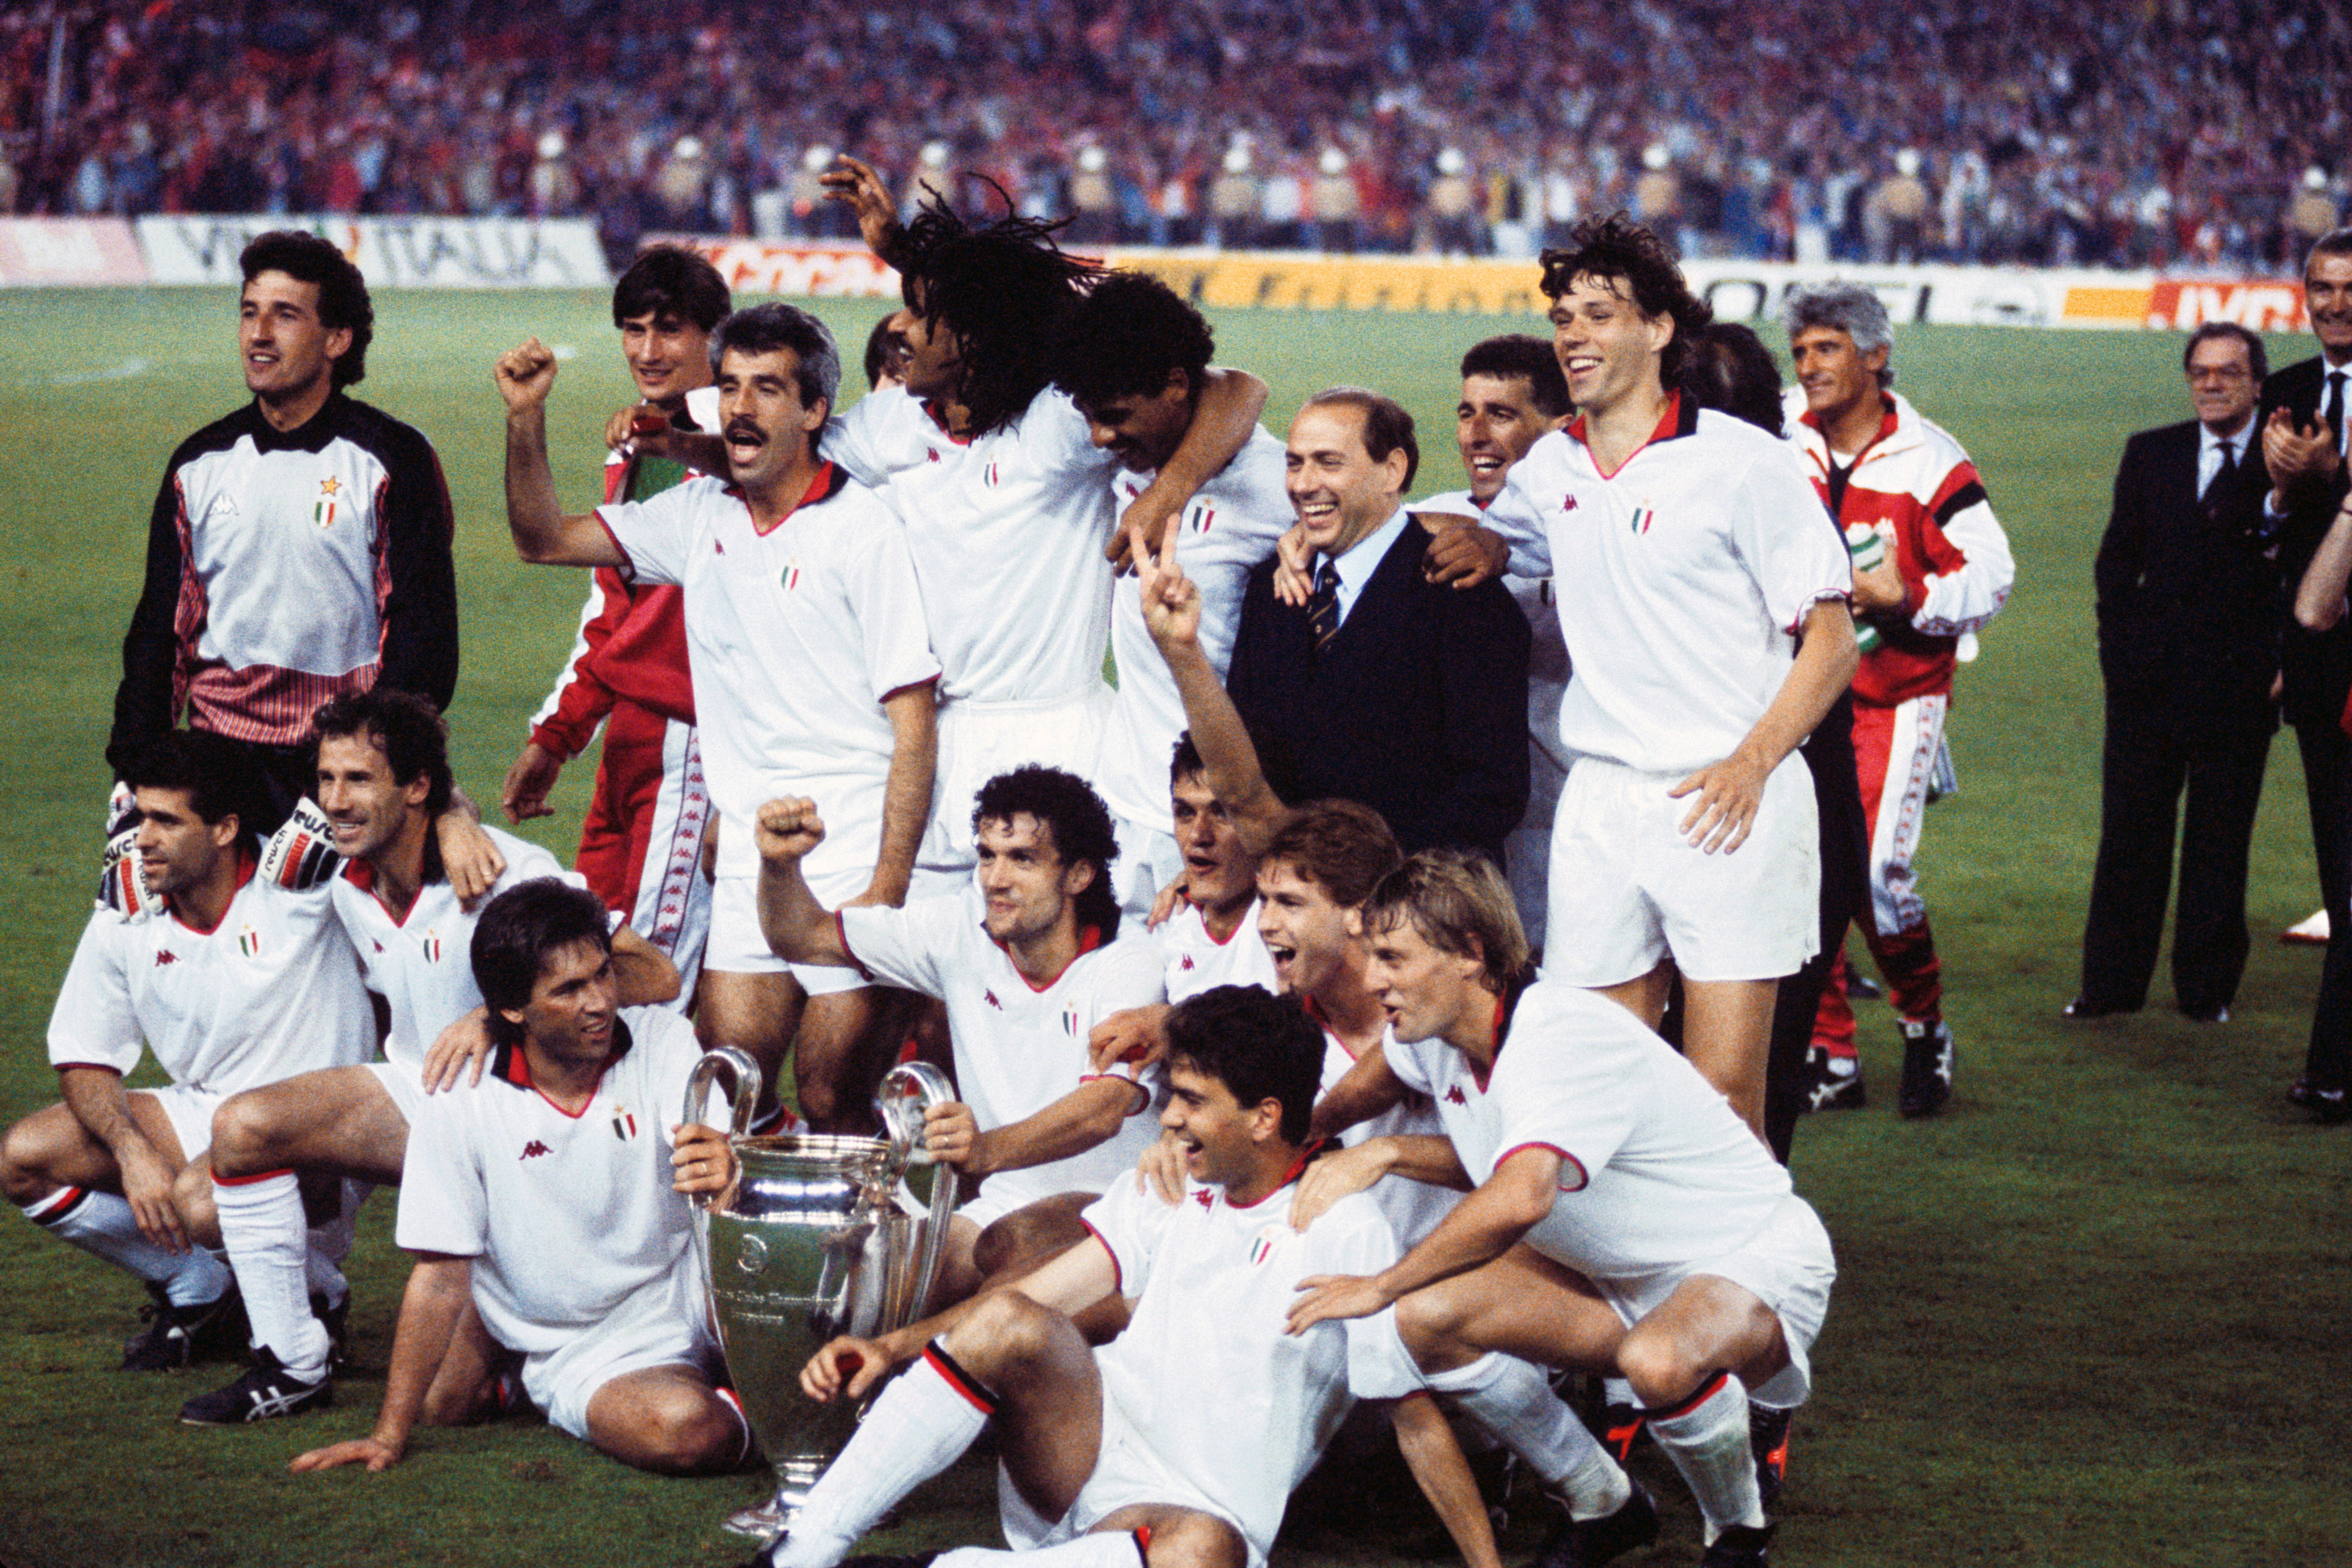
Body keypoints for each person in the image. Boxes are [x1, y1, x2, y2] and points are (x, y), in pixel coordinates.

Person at [1297, 856, 1838, 1568]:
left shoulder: (1556, 1035)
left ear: (1470, 952)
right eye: (1371, 958)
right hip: (1615, 1274)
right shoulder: (1432, 1036)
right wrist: (1321, 1144)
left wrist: (1380, 1278)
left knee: (1656, 1359)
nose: (1372, 982)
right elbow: (1358, 1104)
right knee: (1420, 1321)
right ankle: (1603, 1504)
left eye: (1393, 958)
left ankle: (1738, 1534)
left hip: (1752, 1259)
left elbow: (1521, 1193)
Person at [753, 984, 1402, 1568]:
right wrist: (891, 1348)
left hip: (1192, 1516)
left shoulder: (1348, 1227)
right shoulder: (1170, 1181)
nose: (1170, 1117)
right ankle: (800, 1552)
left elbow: (1404, 1404)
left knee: (1204, 1555)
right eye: (1173, 1093)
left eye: (1194, 1100)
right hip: (1084, 1450)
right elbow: (1039, 1295)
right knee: (1008, 1315)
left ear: (1264, 1117)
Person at [499, 302, 940, 1131]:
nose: (741, 408)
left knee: (832, 1093)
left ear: (814, 411)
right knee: (728, 1089)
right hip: (750, 854)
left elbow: (914, 723)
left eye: (768, 389)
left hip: (850, 845)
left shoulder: (863, 530)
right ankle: (752, 1261)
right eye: (731, 386)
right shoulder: (699, 516)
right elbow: (542, 538)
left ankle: (882, 1255)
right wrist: (528, 421)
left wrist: (887, 888)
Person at [185, 689, 680, 1424]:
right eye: (326, 779)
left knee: (448, 1405)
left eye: (358, 780)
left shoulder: (506, 871)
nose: (335, 800)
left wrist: (494, 1013)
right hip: (419, 1094)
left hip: (505, 1111)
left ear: (417, 788)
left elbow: (654, 975)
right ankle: (294, 1357)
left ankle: (518, 1343)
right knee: (218, 1168)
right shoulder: (343, 880)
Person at [1464, 215, 1858, 1138]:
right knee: (1594, 1076)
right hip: (1601, 800)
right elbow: (1486, 539)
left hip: (1727, 799)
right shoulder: (1551, 466)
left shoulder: (1744, 464)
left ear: (1658, 329)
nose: (1573, 336)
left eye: (1599, 315)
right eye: (1564, 317)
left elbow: (1832, 641)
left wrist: (1752, 762)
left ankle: (1753, 1282)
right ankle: (1631, 1278)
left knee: (1721, 1094)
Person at [808, 165, 1267, 880]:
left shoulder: (1059, 426)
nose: (899, 328)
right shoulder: (890, 424)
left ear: (970, 335)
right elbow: (782, 455)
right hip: (941, 737)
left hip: (1066, 738)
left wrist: (1164, 493)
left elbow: (1235, 387)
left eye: (926, 313)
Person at [288, 878, 752, 1476]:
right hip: (584, 1340)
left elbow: (722, 1166)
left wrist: (726, 1161)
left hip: (689, 1279)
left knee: (836, 1304)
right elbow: (438, 1277)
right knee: (686, 1433)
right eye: (569, 989)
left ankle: (785, 1394)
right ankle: (777, 1408)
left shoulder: (663, 1037)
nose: (601, 1002)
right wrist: (387, 1433)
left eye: (604, 975)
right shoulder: (460, 1098)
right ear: (509, 1009)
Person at [1, 731, 371, 1372]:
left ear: (226, 828)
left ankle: (318, 1293)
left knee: (207, 1200)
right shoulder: (129, 908)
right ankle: (199, 1286)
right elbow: (85, 1056)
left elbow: (407, 807)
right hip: (206, 1115)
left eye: (166, 821)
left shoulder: (308, 884)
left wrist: (457, 822)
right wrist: (133, 1151)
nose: (143, 837)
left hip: (318, 1128)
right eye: (141, 816)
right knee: (23, 1158)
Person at [756, 766, 1165, 1300]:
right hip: (1004, 1203)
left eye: (1022, 858)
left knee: (995, 1290)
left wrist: (986, 1151)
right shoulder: (956, 930)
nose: (995, 878)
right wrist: (779, 866)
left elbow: (1104, 1109)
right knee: (867, 1284)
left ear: (1079, 874)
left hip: (1121, 1215)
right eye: (987, 855)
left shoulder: (1128, 960)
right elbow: (802, 936)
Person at [109, 230, 458, 830]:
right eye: (249, 313)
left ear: (337, 339)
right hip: (217, 767)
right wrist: (133, 775)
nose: (259, 334)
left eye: (285, 315)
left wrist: (362, 767)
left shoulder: (391, 459)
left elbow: (423, 641)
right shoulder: (200, 463)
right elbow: (160, 633)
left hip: (338, 771)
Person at [1781, 283, 2013, 1119]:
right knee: (1803, 872)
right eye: (1801, 350)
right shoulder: (1778, 437)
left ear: (1876, 357)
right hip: (1798, 693)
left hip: (1896, 696)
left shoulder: (1930, 459)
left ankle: (1925, 1027)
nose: (1808, 366)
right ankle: (1832, 1051)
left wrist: (1902, 594)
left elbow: (1991, 574)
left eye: (1828, 348)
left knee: (1878, 875)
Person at [500, 246, 732, 1006]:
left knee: (644, 984)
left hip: (692, 739)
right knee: (589, 951)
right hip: (631, 741)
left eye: (669, 330)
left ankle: (714, 1123)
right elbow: (611, 613)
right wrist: (556, 736)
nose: (647, 350)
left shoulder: (743, 447)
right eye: (632, 329)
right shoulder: (636, 441)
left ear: (715, 335)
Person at [1679, 322, 1871, 1162]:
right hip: (1807, 819)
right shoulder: (1787, 494)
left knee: (1718, 1074)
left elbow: (1829, 649)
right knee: (1763, 1067)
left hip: (1752, 811)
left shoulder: (1751, 507)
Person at [1046, 272, 1292, 917]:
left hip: (1222, 821)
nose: (1099, 437)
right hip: (1126, 807)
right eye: (1091, 418)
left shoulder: (1270, 485)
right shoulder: (1128, 459)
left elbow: (1239, 387)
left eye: (1117, 417)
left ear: (1178, 388)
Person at [1226, 388, 1530, 869]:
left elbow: (1492, 792)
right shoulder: (1269, 588)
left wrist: (1359, 874)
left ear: (1393, 470)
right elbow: (1245, 752)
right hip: (1289, 906)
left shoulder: (1464, 596)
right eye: (1295, 463)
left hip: (1415, 906)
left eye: (1328, 462)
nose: (1304, 484)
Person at [2073, 323, 2277, 1024]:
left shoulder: (2289, 462)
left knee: (2219, 844)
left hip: (2237, 689)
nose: (2211, 384)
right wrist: (2118, 660)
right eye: (2199, 372)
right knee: (2129, 836)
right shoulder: (2151, 453)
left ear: (2258, 382)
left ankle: (2206, 991)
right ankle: (2108, 987)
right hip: (2146, 688)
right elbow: (2113, 565)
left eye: (2227, 372)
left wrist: (2276, 667)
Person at [1416, 335, 1573, 946]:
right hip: (1473, 832)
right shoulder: (1431, 521)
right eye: (1466, 412)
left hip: (1575, 813)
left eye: (1501, 414)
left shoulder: (1587, 525)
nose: (1476, 433)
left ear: (1561, 430)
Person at [2262, 228, 2352, 1114]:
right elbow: (2268, 539)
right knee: (2338, 858)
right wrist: (2282, 489)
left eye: (2350, 288)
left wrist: (2333, 475)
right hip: (2322, 664)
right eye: (2321, 288)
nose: (2335, 304)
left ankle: (2332, 1070)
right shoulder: (2289, 392)